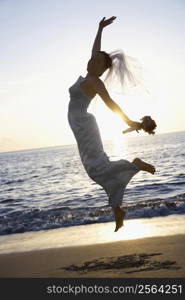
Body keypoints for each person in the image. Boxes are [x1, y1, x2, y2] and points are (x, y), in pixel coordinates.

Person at [68, 16, 156, 232]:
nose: (93, 61)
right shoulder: (90, 73)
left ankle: (134, 165)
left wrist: (128, 121)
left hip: (84, 125)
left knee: (97, 168)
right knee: (95, 168)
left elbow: (110, 103)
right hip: (79, 125)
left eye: (97, 62)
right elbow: (95, 50)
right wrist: (99, 28)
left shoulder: (94, 81)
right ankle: (117, 210)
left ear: (101, 70)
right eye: (93, 59)